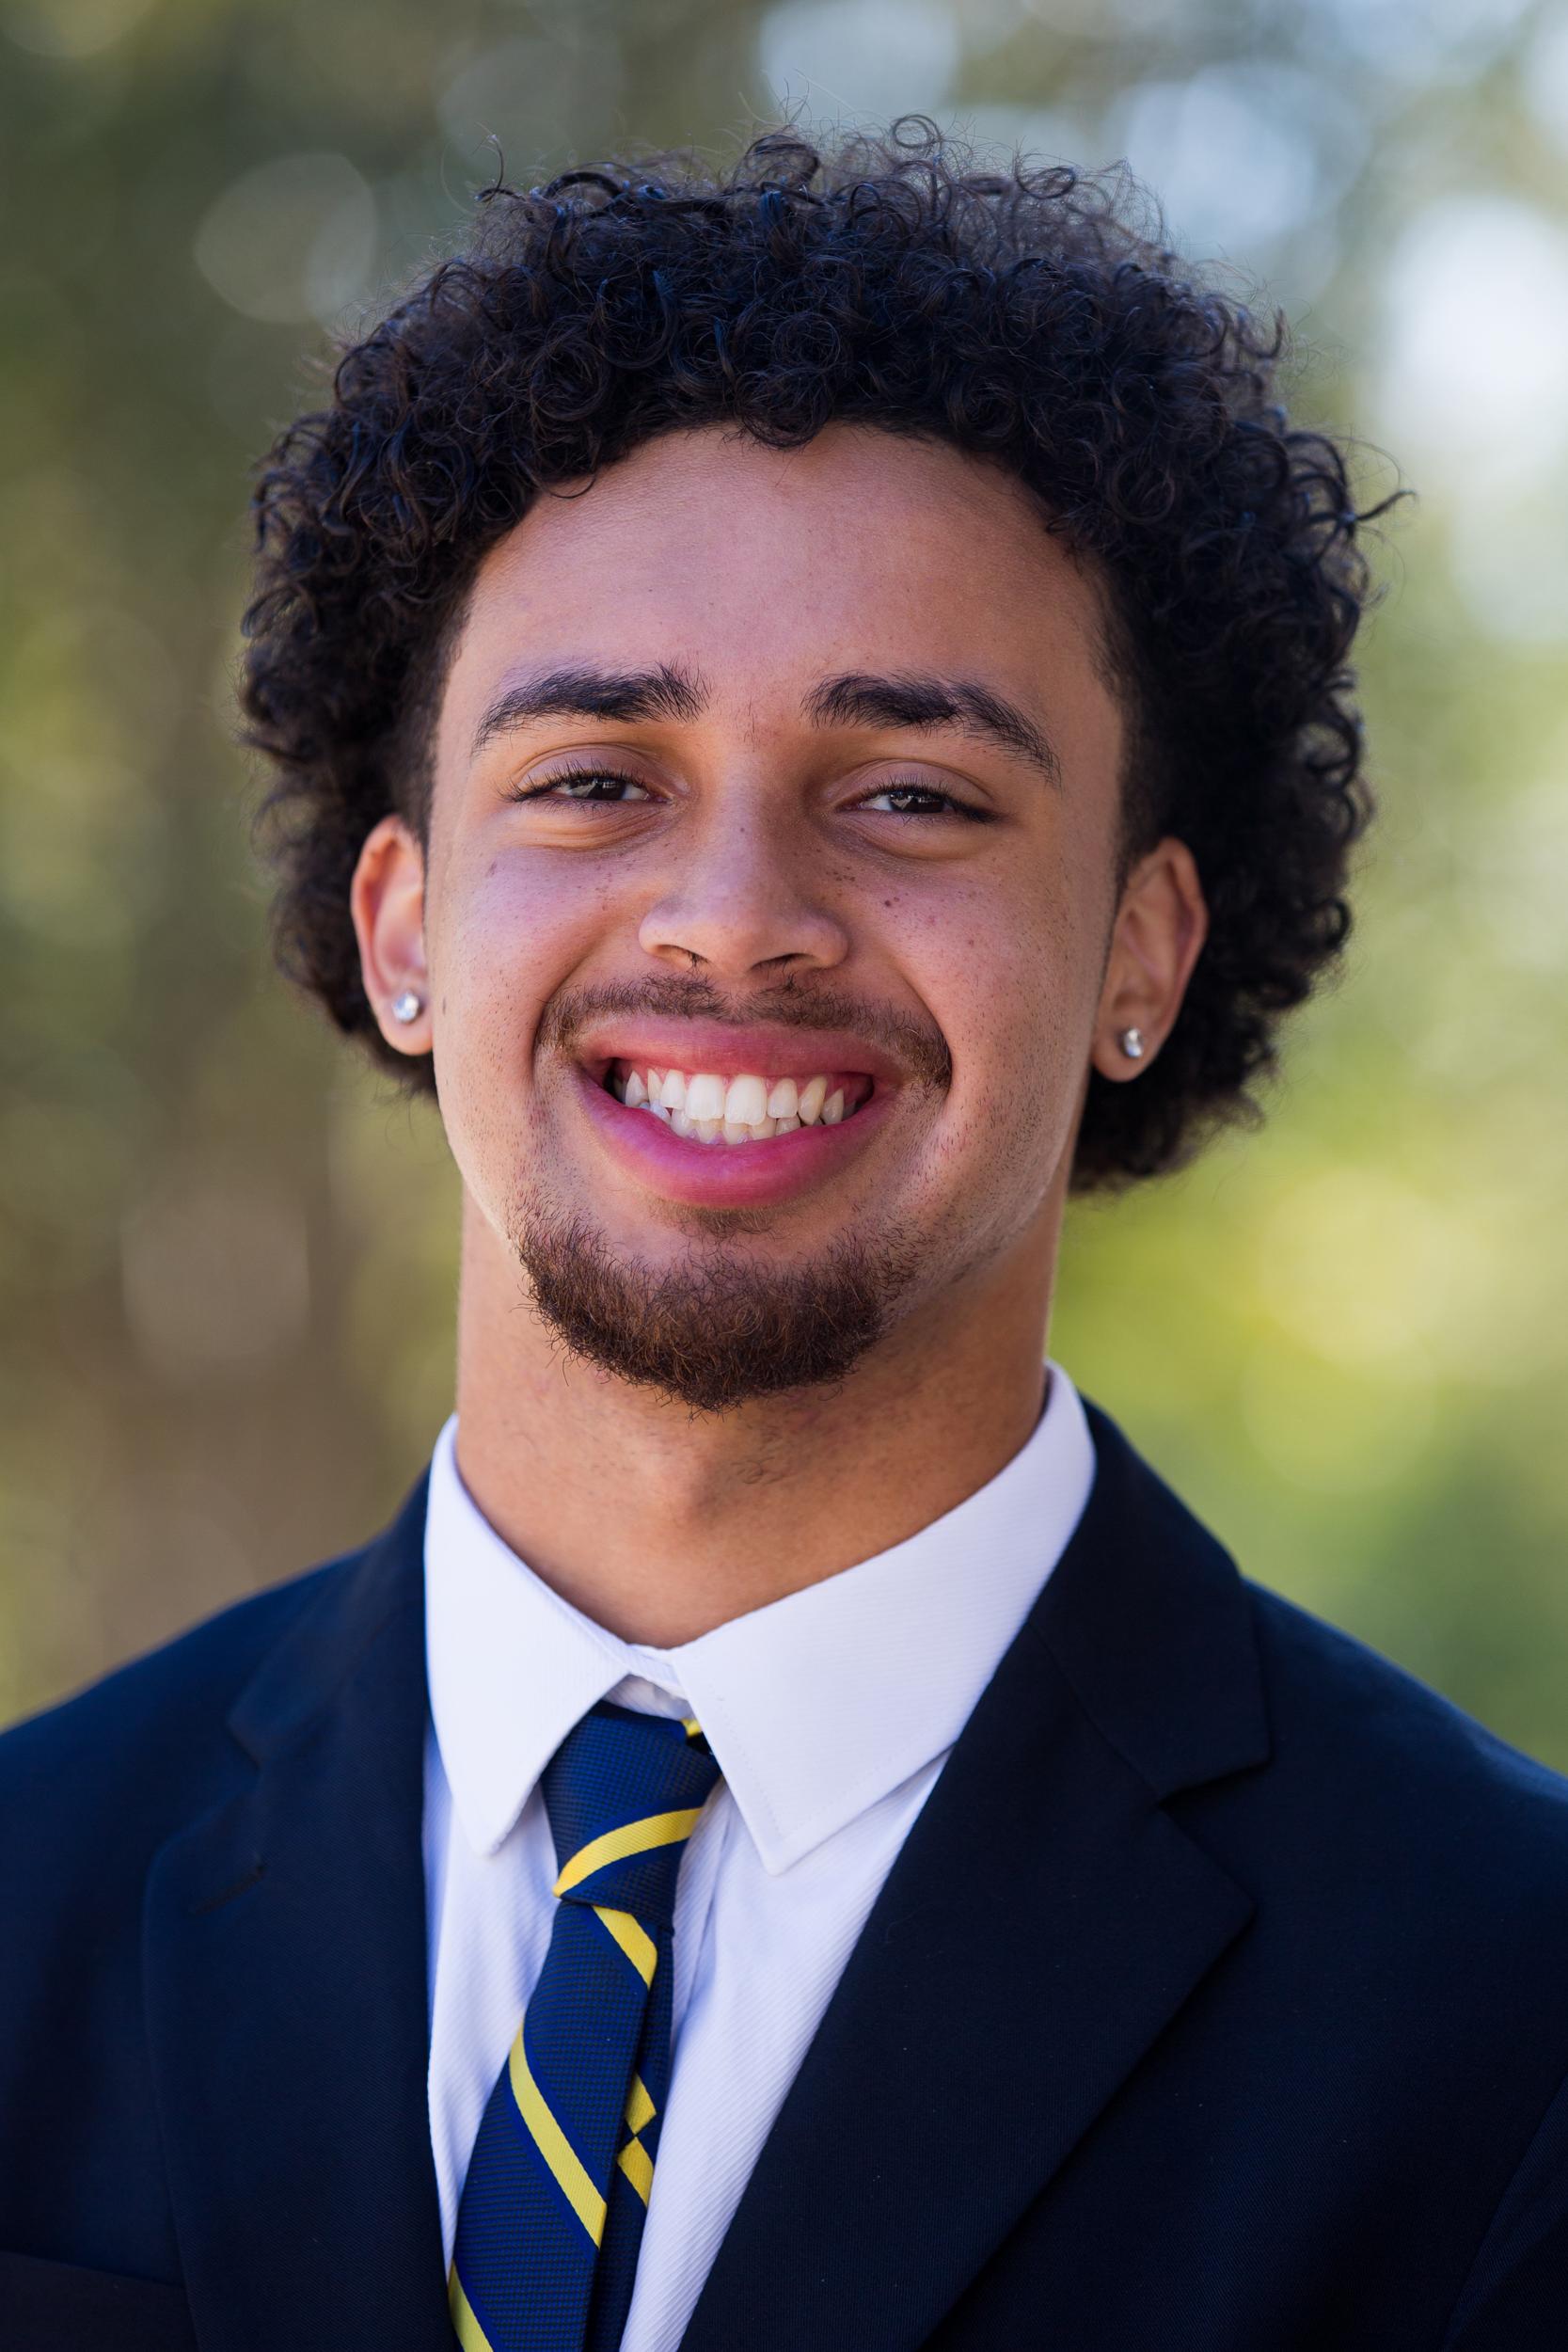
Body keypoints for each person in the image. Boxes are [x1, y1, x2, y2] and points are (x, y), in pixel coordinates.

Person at [2, 121, 1565, 2352]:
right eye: (594, 776)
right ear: (408, 923)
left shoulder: (1510, 2023)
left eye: (913, 795)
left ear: (1142, 949)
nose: (733, 916)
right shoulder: (23, 1897)